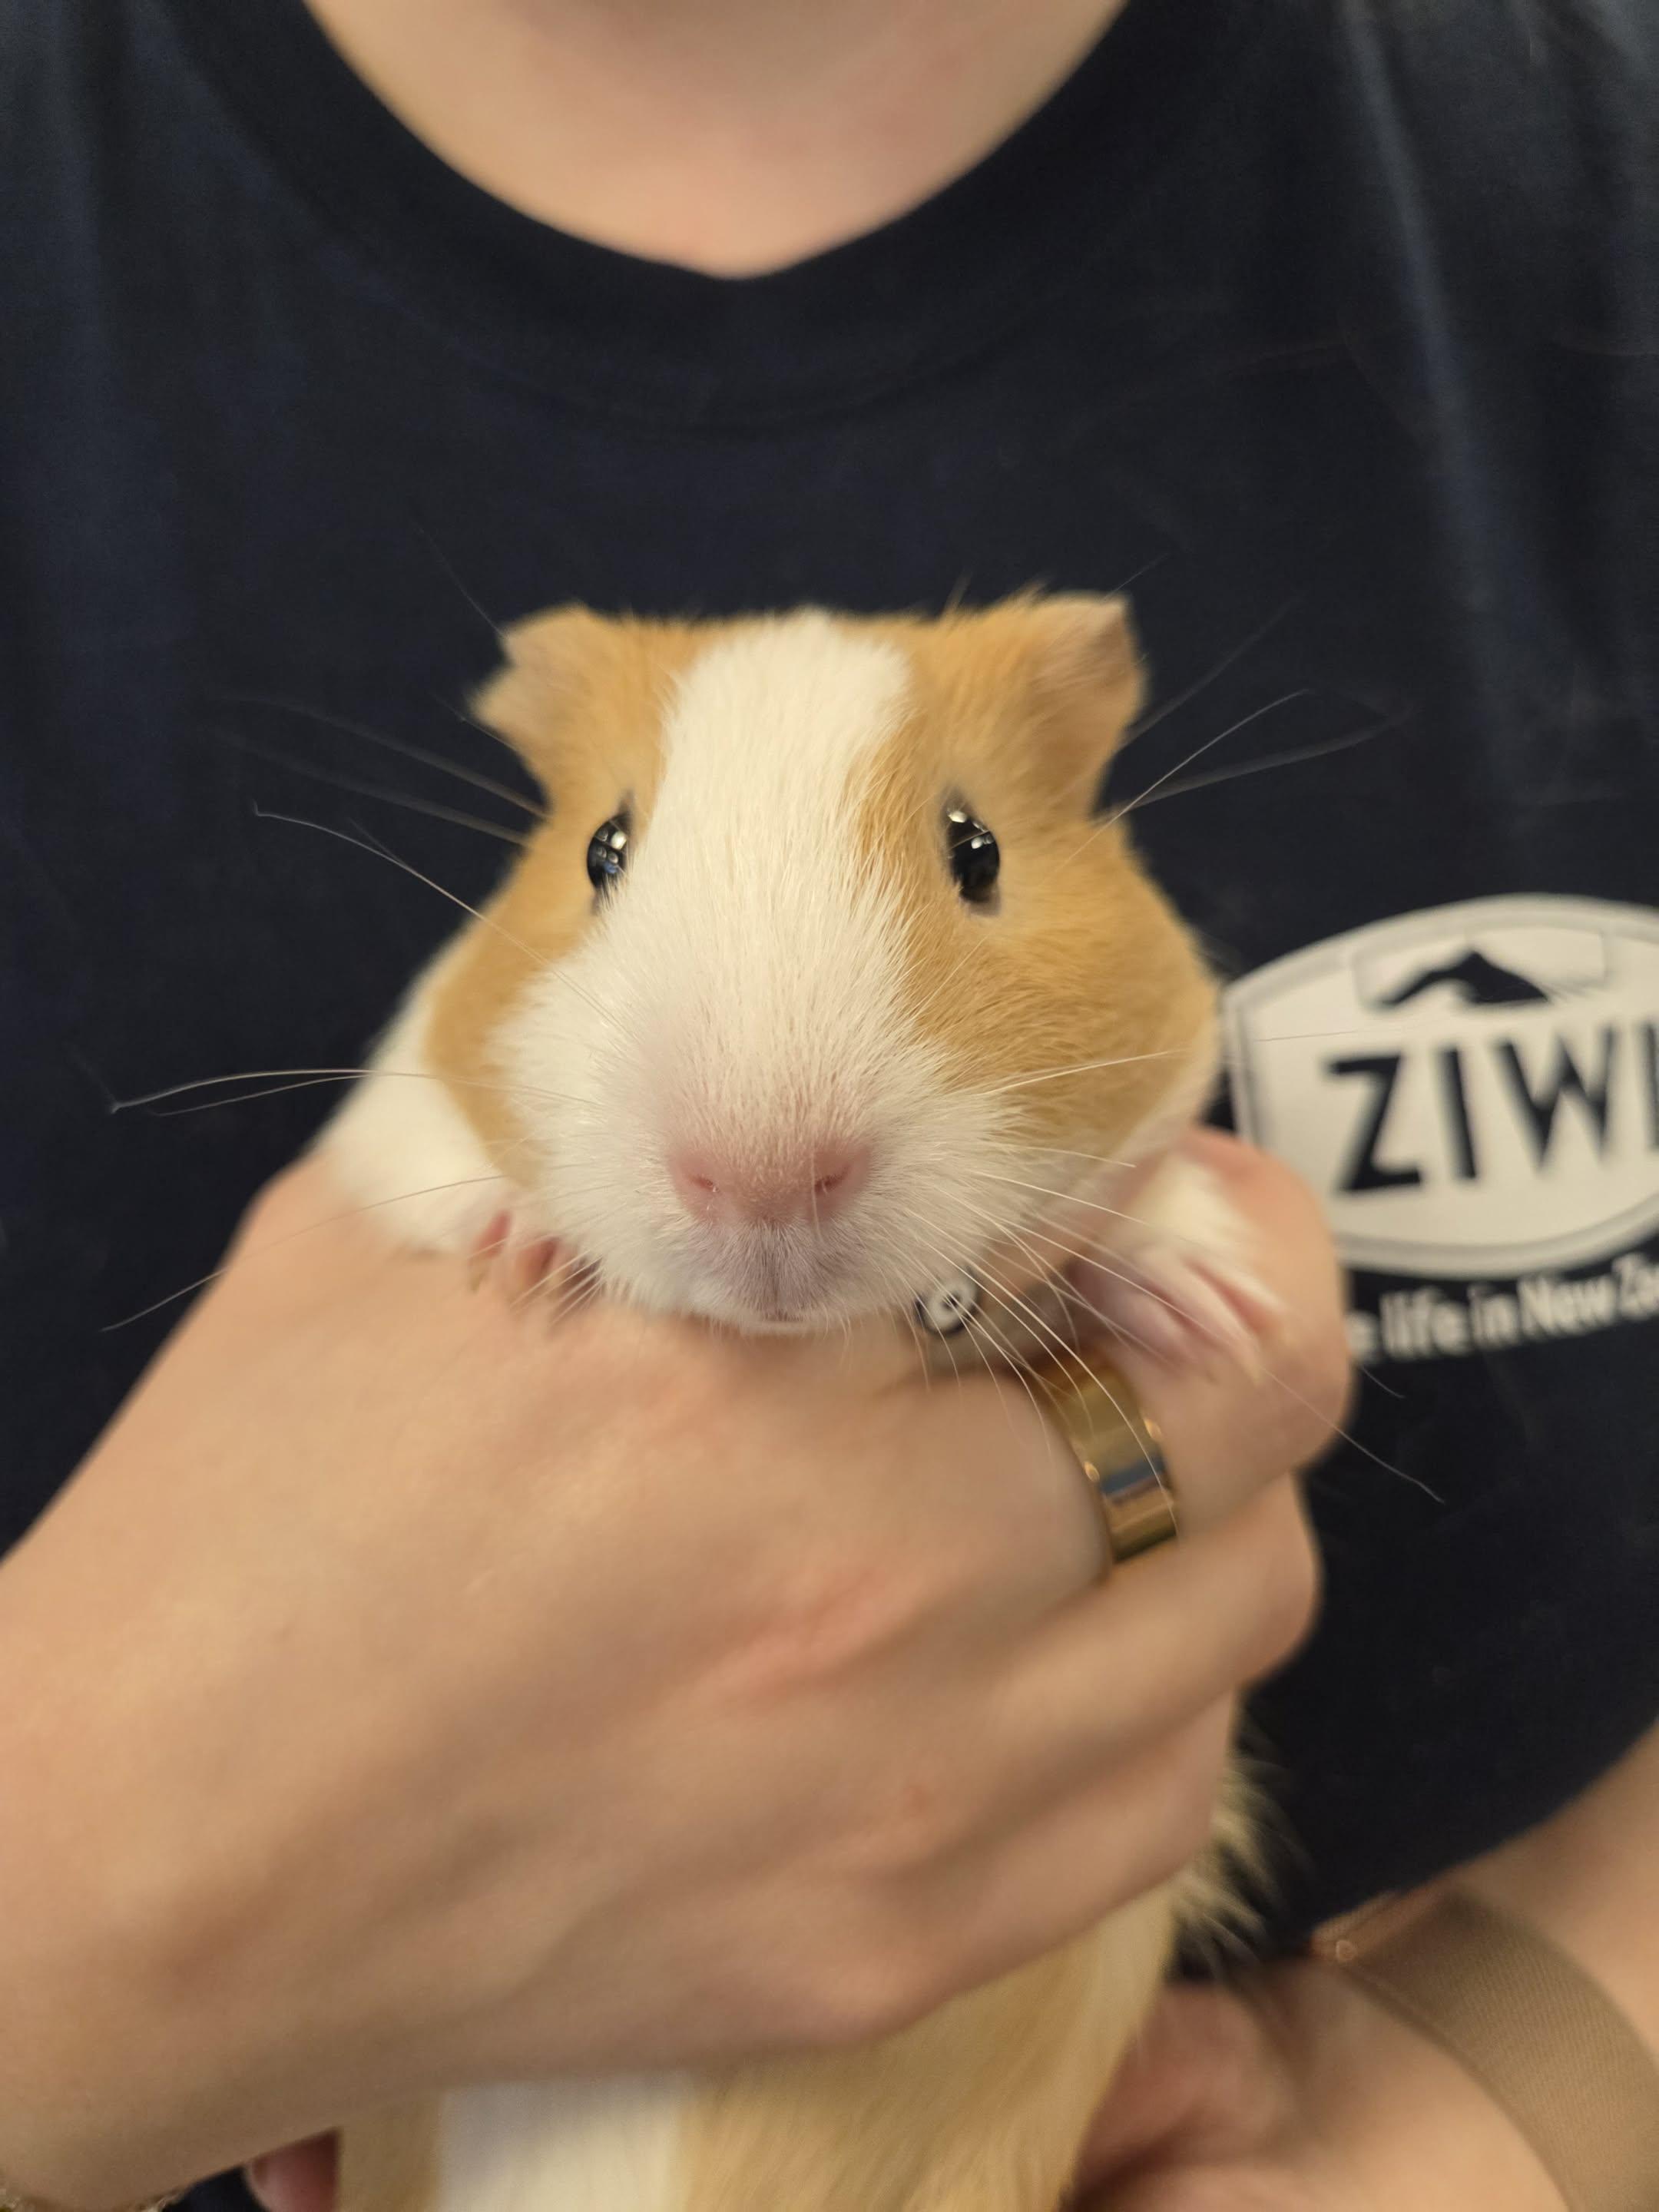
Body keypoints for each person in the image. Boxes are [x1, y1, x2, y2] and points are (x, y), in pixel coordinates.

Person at [0, 3, 1654, 2210]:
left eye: (968, 863)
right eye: (616, 867)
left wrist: (1505, 2087)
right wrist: (83, 1920)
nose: (764, 1154)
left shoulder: (1583, 154)